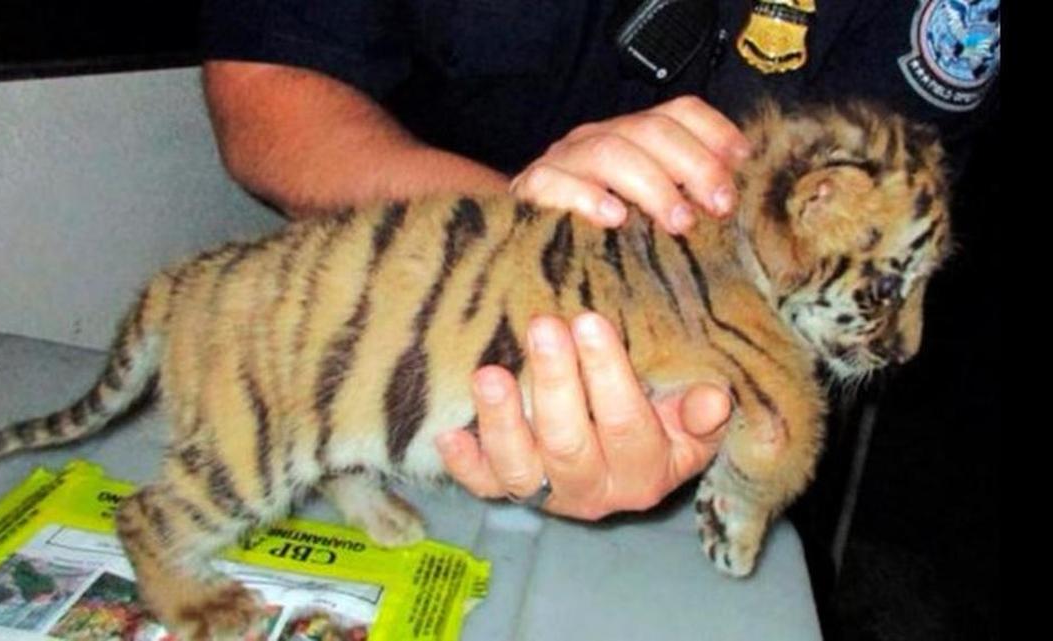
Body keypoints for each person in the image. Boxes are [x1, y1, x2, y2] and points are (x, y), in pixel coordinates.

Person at [198, 0, 1000, 519]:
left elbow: (870, 258)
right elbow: (268, 86)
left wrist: (702, 401)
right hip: (397, 345)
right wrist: (523, 240)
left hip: (708, 424)